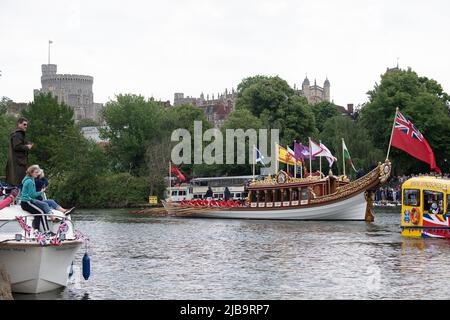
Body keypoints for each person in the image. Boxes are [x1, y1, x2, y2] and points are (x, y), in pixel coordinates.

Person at [19, 165, 74, 232]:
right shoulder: (30, 181)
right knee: (41, 212)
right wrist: (41, 192)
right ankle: (47, 231)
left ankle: (37, 230)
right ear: (31, 173)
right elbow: (32, 195)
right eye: (36, 172)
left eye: (38, 172)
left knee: (40, 211)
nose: (37, 174)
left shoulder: (30, 179)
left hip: (29, 201)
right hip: (27, 202)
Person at [5, 117, 33, 186]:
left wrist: (26, 144)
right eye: (24, 124)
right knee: (19, 183)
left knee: (18, 182)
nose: (26, 126)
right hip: (18, 163)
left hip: (18, 162)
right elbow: (17, 146)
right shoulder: (17, 134)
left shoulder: (18, 134)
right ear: (19, 124)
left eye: (26, 125)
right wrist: (27, 147)